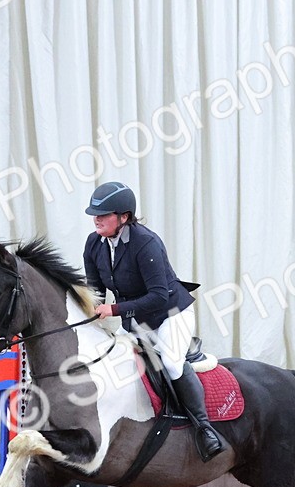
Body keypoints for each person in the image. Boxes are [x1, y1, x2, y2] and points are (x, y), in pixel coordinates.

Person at [82, 181, 226, 462]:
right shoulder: (94, 243)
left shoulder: (145, 242)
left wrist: (114, 310)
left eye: (104, 214)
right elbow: (95, 289)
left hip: (171, 314)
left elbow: (159, 296)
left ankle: (204, 429)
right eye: (94, 214)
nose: (96, 219)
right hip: (136, 321)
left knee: (171, 362)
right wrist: (92, 309)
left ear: (124, 217)